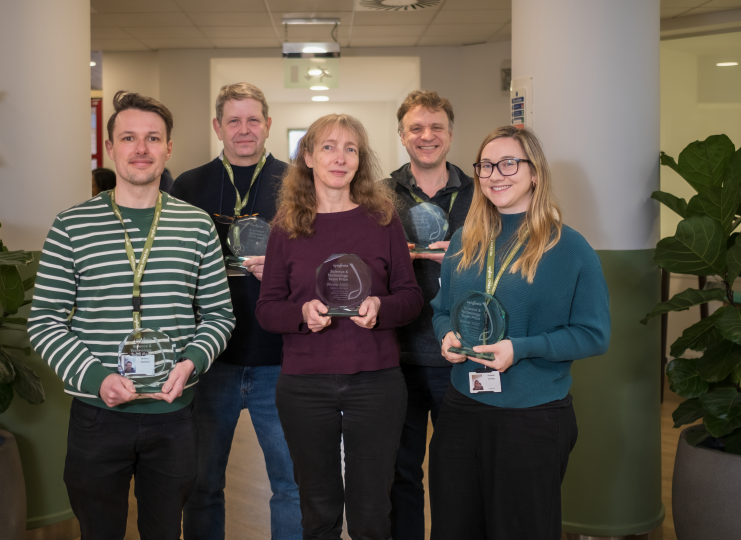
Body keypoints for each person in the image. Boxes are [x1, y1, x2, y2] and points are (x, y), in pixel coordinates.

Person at [28, 91, 235, 540]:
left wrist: (191, 363)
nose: (141, 148)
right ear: (111, 148)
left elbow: (220, 315)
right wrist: (95, 376)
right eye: (128, 138)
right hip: (98, 414)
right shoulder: (71, 225)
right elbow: (44, 320)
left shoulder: (197, 225)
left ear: (168, 149)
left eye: (152, 138)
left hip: (173, 413)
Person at [429, 125, 610, 539]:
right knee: (454, 528)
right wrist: (447, 337)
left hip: (532, 416)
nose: (496, 174)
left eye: (509, 163)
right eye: (486, 165)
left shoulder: (569, 247)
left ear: (535, 173)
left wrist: (522, 348)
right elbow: (441, 310)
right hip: (462, 406)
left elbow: (594, 334)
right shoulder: (464, 240)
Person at [256, 113, 423, 540]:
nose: (340, 157)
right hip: (305, 385)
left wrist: (380, 308)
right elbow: (267, 308)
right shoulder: (285, 228)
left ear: (360, 160)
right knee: (319, 512)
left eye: (351, 149)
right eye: (328, 147)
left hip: (376, 381)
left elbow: (410, 297)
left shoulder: (383, 220)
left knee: (372, 514)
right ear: (307, 157)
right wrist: (301, 315)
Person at [171, 82, 300, 540]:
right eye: (233, 120)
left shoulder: (297, 182)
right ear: (217, 127)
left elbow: (318, 263)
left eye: (252, 120)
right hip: (209, 361)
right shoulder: (188, 185)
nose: (243, 130)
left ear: (268, 125)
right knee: (203, 486)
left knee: (291, 486)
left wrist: (285, 271)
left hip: (280, 359)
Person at [382, 90, 474, 540]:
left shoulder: (482, 194)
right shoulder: (379, 196)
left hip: (462, 355)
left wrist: (459, 260)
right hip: (396, 356)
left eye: (436, 126)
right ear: (402, 135)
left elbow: (504, 265)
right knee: (402, 474)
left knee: (457, 474)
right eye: (416, 127)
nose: (427, 135)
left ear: (451, 134)